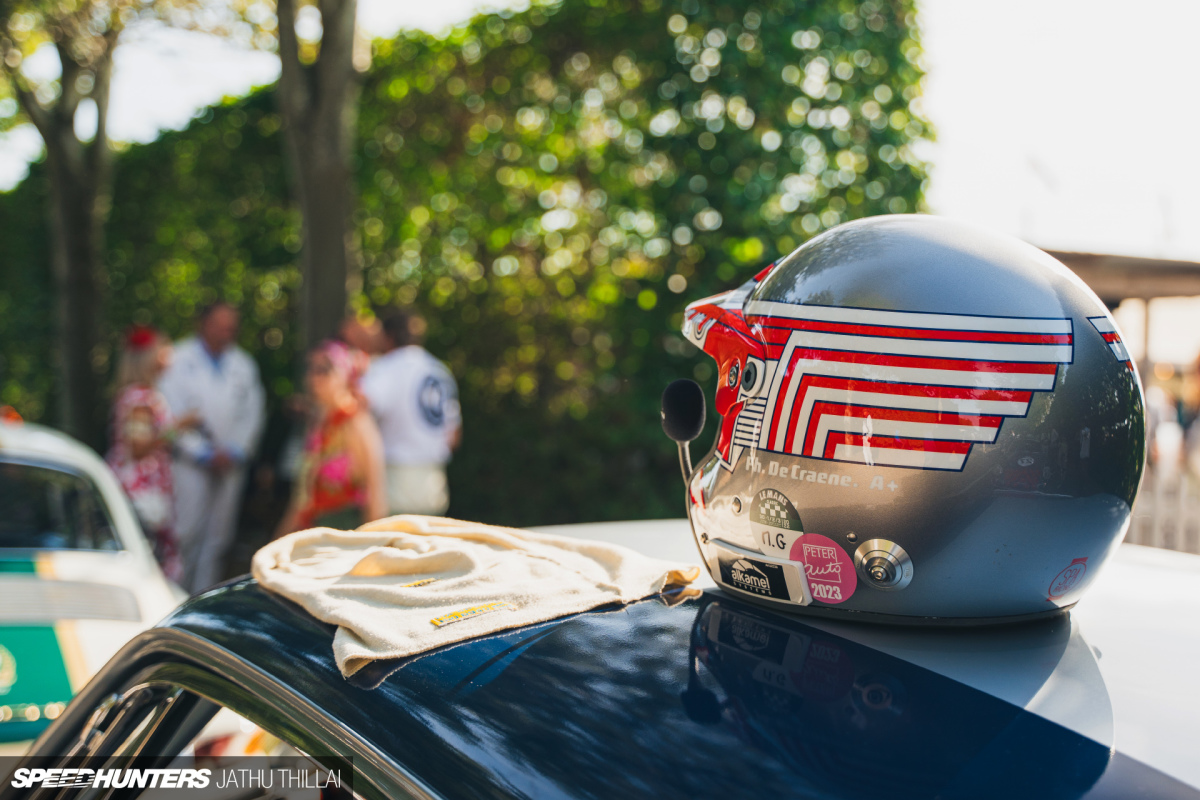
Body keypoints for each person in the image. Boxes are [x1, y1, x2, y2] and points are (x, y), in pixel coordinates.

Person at [159, 302, 265, 593]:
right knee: (184, 534)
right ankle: (172, 598)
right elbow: (168, 413)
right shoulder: (178, 359)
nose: (226, 332)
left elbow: (253, 414)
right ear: (203, 324)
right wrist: (202, 452)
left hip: (230, 464)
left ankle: (200, 601)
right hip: (190, 464)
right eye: (220, 325)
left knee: (219, 539)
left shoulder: (243, 364)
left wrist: (235, 450)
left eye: (231, 326)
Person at [106, 325, 197, 582]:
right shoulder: (140, 398)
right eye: (162, 349)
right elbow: (138, 447)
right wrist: (178, 427)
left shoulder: (144, 394)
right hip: (141, 490)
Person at [275, 341, 387, 534]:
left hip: (346, 534)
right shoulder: (320, 423)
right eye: (311, 369)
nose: (314, 377)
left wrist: (373, 548)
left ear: (345, 375)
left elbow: (376, 493)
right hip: (315, 528)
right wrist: (279, 538)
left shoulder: (357, 423)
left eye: (325, 369)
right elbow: (304, 495)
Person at [361, 310, 461, 516]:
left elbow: (359, 409)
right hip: (434, 484)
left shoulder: (384, 368)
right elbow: (453, 435)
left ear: (388, 336)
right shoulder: (439, 369)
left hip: (393, 482)